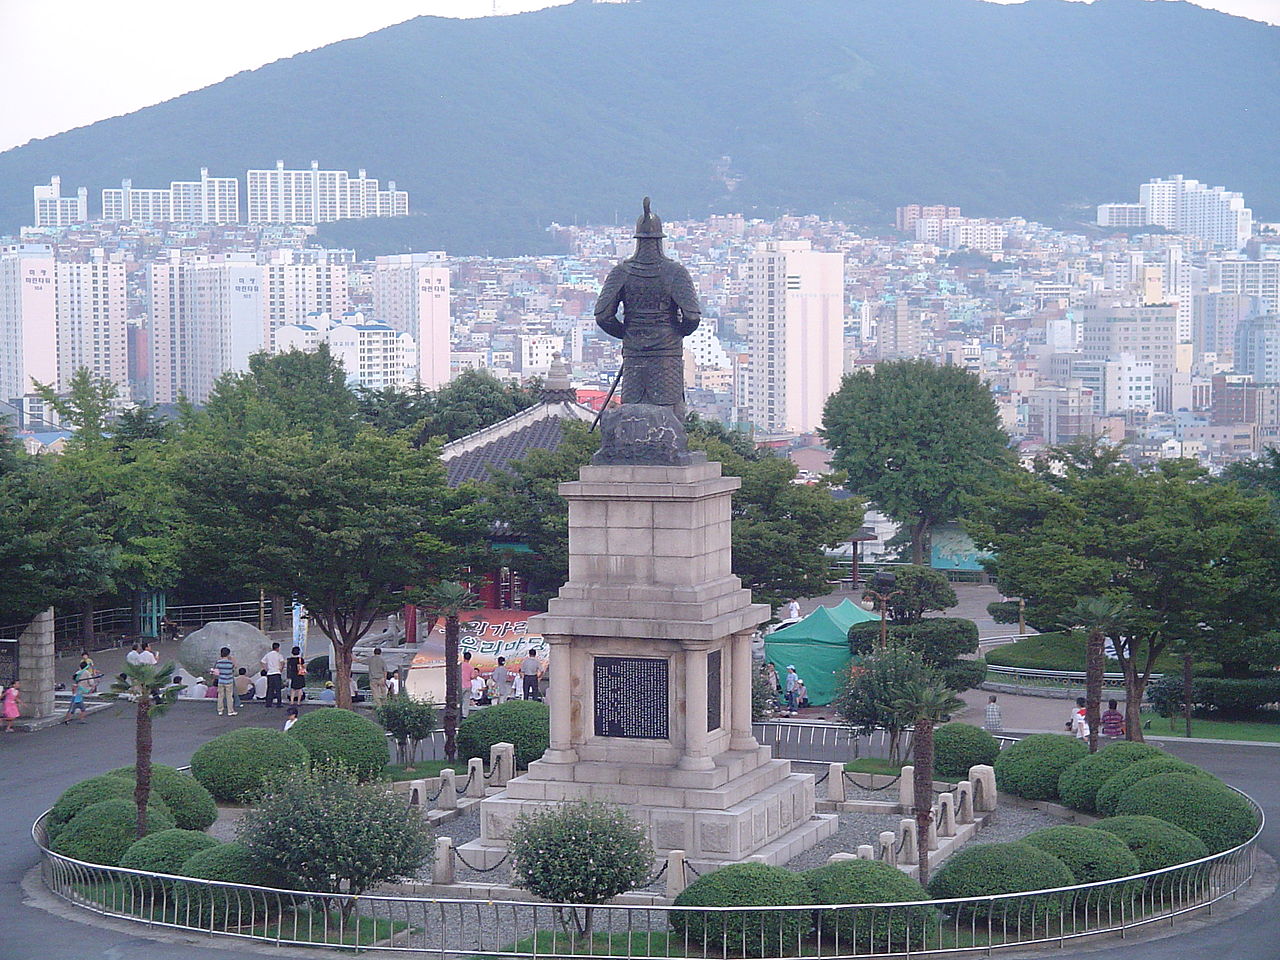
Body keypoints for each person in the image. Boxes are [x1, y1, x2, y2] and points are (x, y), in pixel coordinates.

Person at [213, 647, 238, 716]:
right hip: (229, 681)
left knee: (220, 696)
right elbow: (234, 667)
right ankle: (230, 711)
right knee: (229, 696)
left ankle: (220, 710)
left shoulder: (218, 662)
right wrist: (233, 659)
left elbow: (216, 671)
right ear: (228, 654)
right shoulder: (230, 663)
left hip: (221, 680)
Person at [261, 642, 286, 708]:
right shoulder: (279, 655)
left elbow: (262, 662)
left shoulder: (268, 655)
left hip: (270, 673)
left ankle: (268, 703)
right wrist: (281, 669)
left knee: (270, 689)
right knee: (278, 689)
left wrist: (266, 669)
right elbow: (282, 663)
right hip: (277, 673)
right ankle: (279, 703)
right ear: (278, 648)